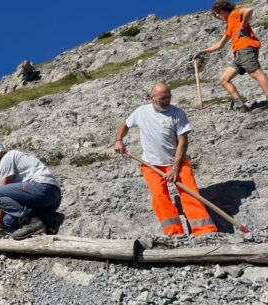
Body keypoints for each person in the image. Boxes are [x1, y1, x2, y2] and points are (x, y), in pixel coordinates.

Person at [114, 82, 218, 236]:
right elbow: (125, 125)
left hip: (178, 163)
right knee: (160, 198)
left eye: (169, 97)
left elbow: (183, 142)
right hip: (151, 165)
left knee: (191, 195)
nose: (167, 101)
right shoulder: (141, 112)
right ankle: (175, 234)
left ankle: (205, 233)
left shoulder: (178, 114)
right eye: (162, 98)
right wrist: (118, 140)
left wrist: (175, 167)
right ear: (151, 98)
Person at [193, 0, 268, 111]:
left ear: (225, 9)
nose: (217, 16)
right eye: (215, 15)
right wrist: (203, 51)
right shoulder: (229, 26)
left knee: (256, 73)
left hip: (245, 48)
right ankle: (241, 106)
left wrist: (243, 27)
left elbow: (249, 10)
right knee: (224, 79)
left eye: (218, 13)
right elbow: (220, 45)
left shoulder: (234, 14)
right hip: (238, 54)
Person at [0, 142, 64, 240]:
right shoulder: (16, 158)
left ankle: (32, 220)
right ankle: (49, 220)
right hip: (53, 197)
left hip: (43, 188)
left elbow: (2, 190)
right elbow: (7, 200)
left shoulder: (7, 158)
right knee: (7, 220)